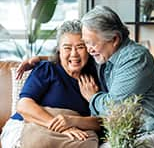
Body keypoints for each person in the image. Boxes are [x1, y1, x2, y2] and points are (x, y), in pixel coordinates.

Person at [17, 6, 154, 148]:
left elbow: (114, 109)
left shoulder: (135, 59)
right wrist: (41, 59)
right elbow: (73, 56)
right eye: (85, 44)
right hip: (127, 133)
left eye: (89, 44)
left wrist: (93, 97)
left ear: (114, 39)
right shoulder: (104, 57)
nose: (88, 49)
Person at [0, 20, 101, 148]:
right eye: (67, 48)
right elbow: (24, 105)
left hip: (73, 132)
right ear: (59, 50)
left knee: (90, 142)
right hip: (33, 124)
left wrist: (92, 100)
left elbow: (101, 122)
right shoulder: (47, 69)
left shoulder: (95, 79)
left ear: (88, 49)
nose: (74, 54)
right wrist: (60, 126)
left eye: (80, 47)